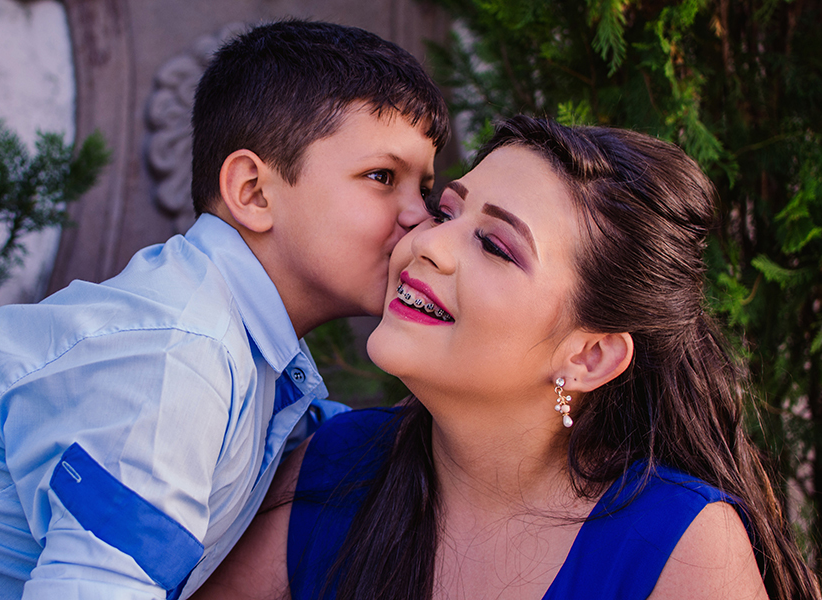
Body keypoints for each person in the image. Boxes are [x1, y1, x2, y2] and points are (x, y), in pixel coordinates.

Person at [0, 19, 450, 599]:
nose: (418, 217)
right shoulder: (180, 353)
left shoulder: (257, 362)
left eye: (423, 188)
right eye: (381, 177)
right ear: (252, 191)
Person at [196, 116, 820, 600]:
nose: (428, 243)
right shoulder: (330, 472)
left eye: (495, 246)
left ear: (591, 356)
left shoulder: (676, 543)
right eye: (447, 211)